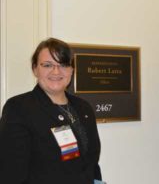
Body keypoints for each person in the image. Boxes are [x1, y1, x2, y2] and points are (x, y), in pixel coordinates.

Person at [0, 38, 103, 184]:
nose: (56, 71)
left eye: (63, 65)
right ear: (35, 69)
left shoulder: (83, 108)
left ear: (71, 70)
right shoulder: (19, 108)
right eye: (47, 65)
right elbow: (11, 173)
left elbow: (92, 164)